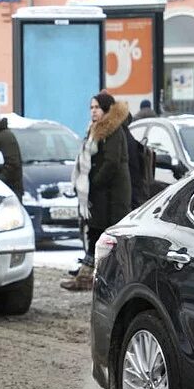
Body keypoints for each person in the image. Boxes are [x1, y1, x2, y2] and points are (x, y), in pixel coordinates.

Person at [62, 92, 131, 292]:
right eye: (91, 108)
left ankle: (107, 280)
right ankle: (90, 278)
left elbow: (111, 163)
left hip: (111, 197)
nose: (93, 111)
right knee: (94, 234)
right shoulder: (94, 130)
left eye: (97, 108)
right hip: (100, 196)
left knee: (104, 238)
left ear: (107, 110)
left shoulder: (112, 131)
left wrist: (93, 183)